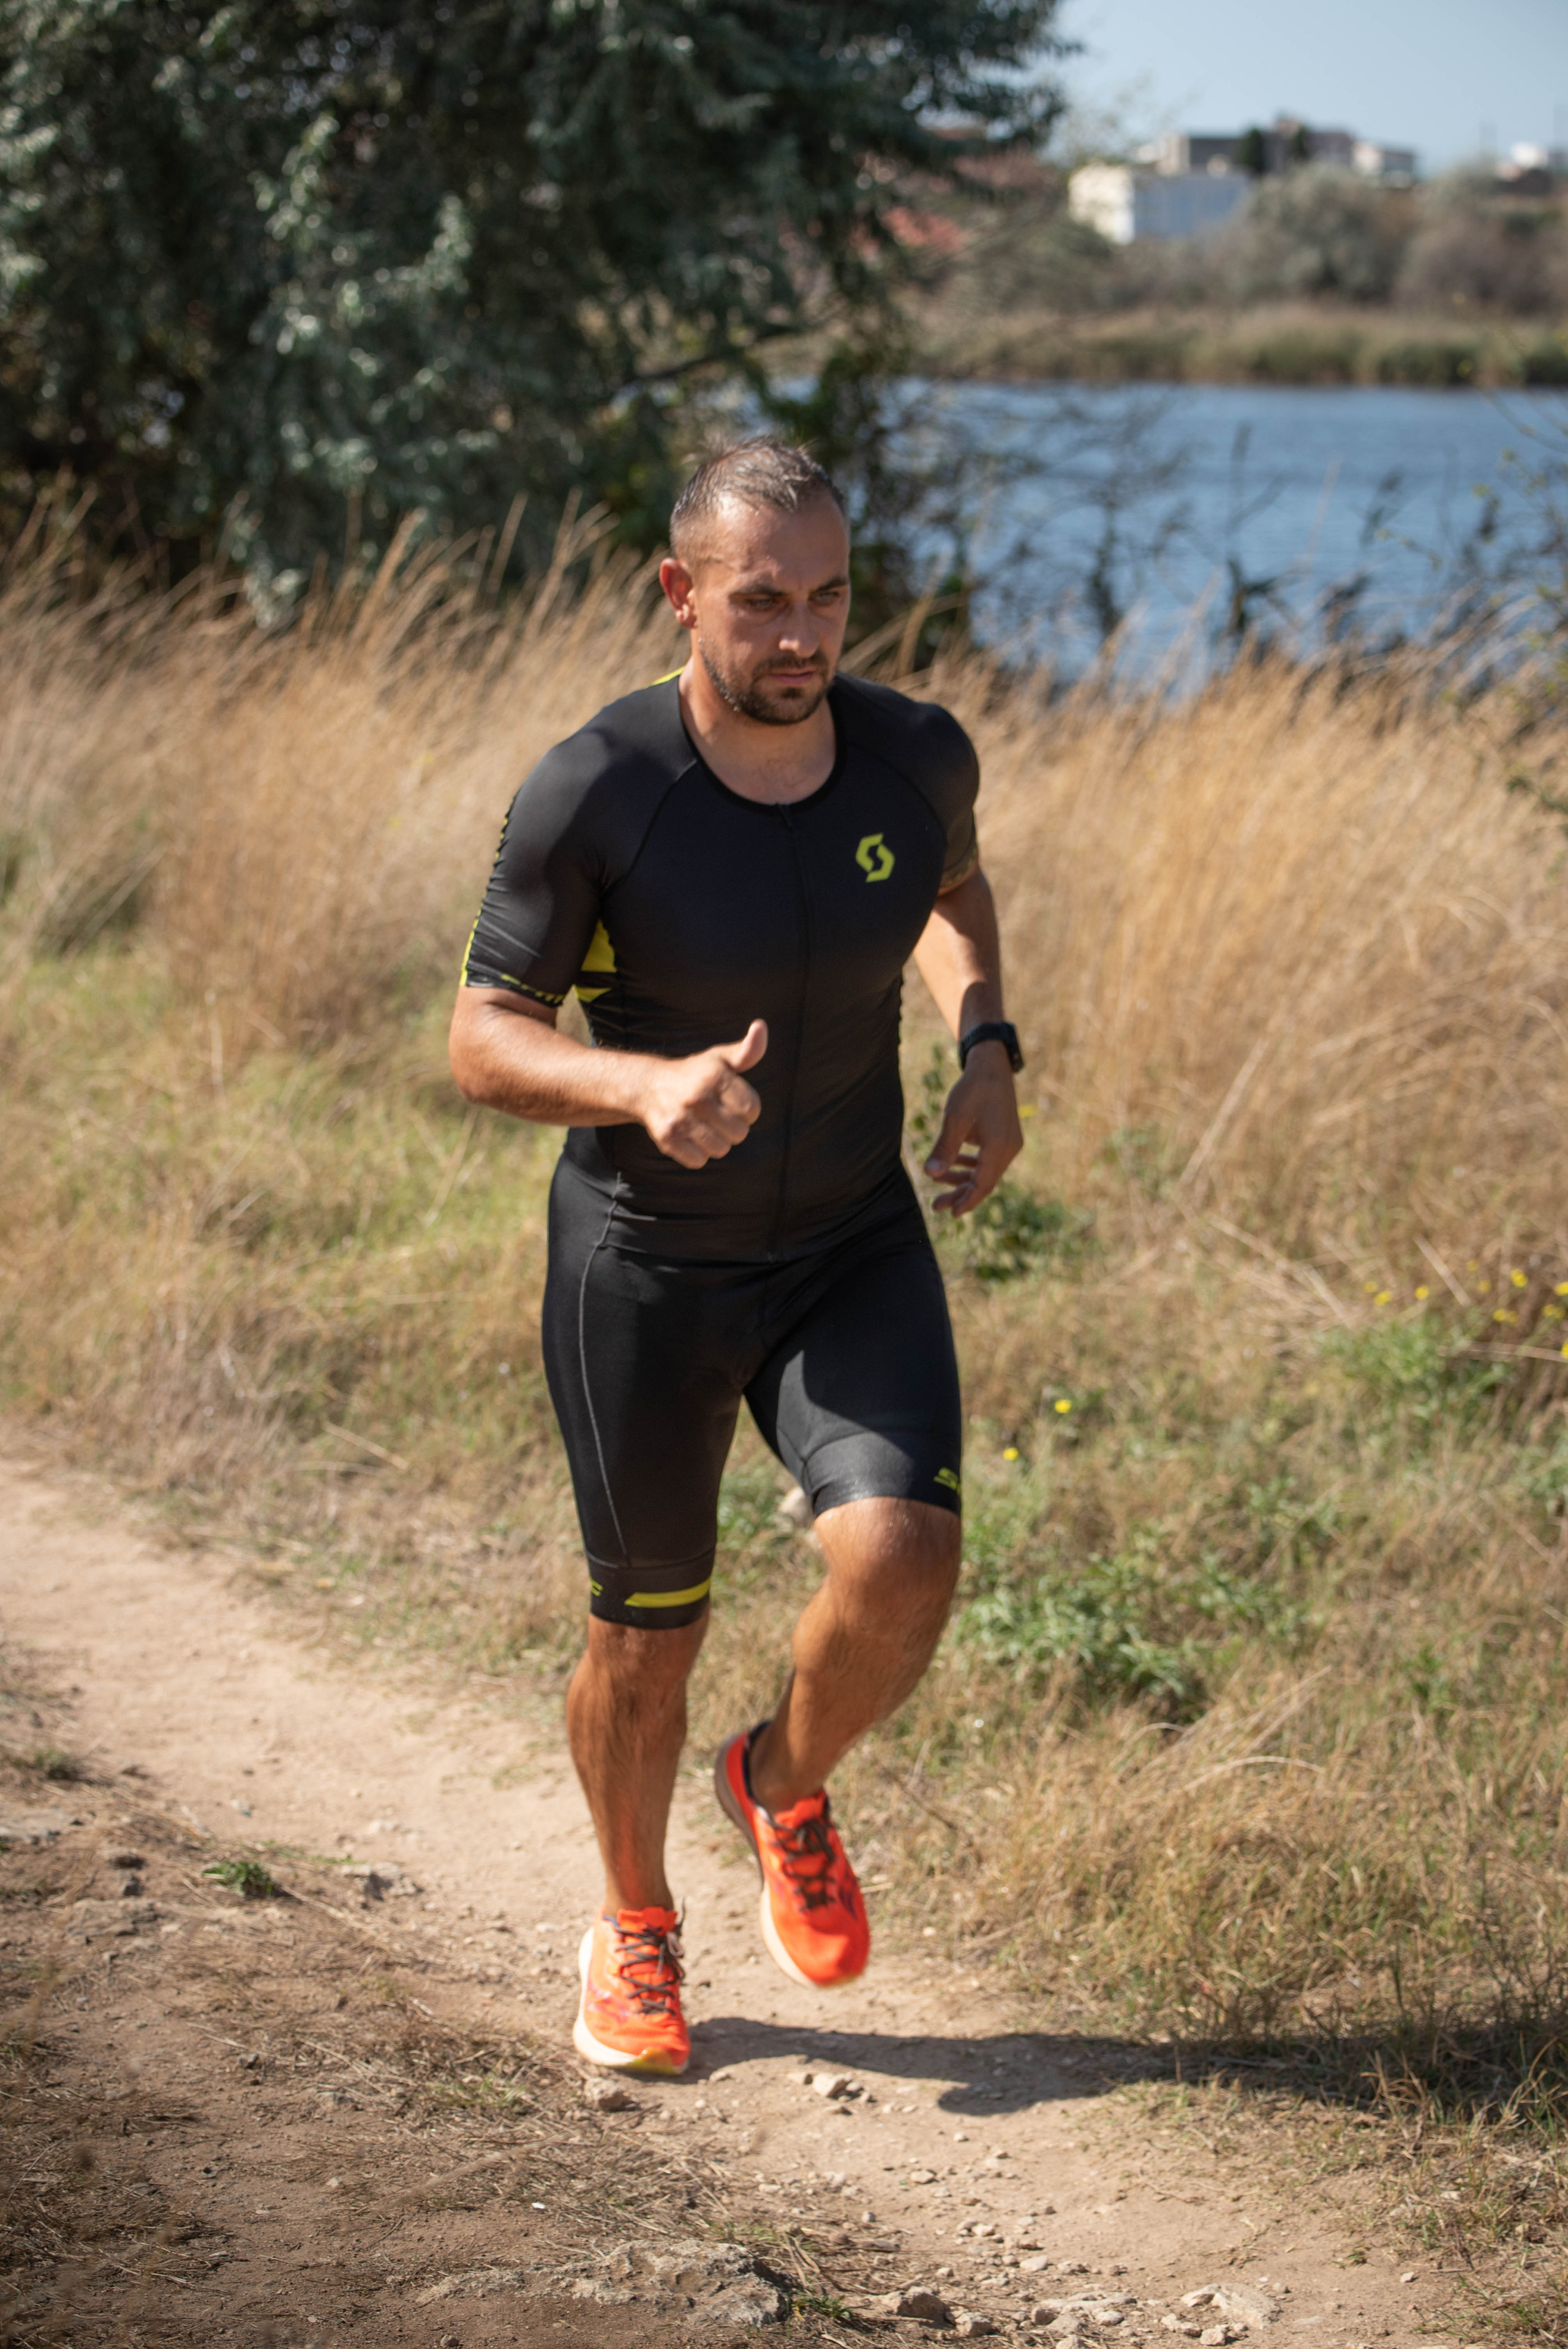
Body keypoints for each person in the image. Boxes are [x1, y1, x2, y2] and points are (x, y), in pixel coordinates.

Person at [448, 437, 1023, 2075]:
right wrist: (642, 1085)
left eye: (829, 597)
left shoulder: (914, 755)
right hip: (646, 1262)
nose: (801, 634)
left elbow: (955, 889)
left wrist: (987, 1046)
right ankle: (634, 1921)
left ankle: (776, 1784)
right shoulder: (600, 787)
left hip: (849, 1236)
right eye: (763, 599)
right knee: (648, 1636)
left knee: (903, 1557)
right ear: (680, 591)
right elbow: (483, 1037)